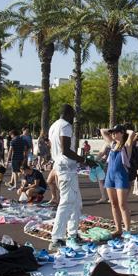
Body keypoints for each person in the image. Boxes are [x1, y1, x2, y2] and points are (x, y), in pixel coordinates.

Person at [48, 104, 94, 250]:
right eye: (73, 114)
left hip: (63, 167)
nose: (74, 116)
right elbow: (66, 150)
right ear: (68, 113)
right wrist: (85, 160)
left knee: (76, 203)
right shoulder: (66, 126)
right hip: (66, 168)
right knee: (66, 202)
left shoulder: (53, 126)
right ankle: (57, 238)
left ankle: (73, 234)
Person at [101, 125, 135, 237]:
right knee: (114, 204)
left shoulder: (126, 145)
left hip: (121, 177)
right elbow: (103, 131)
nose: (113, 134)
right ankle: (118, 229)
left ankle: (127, 231)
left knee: (122, 204)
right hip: (110, 176)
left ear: (122, 133)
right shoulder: (112, 144)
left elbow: (132, 133)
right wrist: (112, 130)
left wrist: (125, 131)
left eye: (116, 132)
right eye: (113, 133)